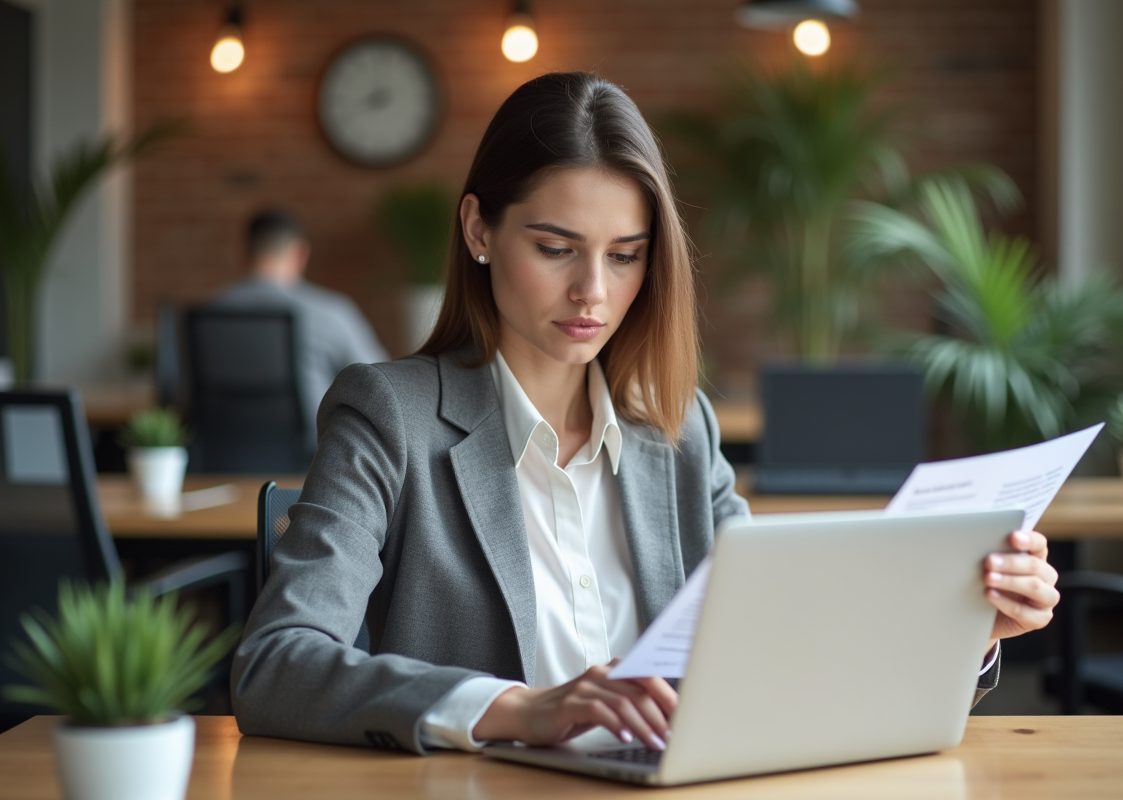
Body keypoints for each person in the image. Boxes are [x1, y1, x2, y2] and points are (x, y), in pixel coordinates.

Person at [231, 72, 1060, 755]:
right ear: (480, 229)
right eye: (556, 248)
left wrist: (968, 627)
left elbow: (777, 644)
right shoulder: (392, 416)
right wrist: (519, 709)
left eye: (625, 257)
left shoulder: (678, 429)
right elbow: (275, 663)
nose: (593, 292)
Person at [210, 210, 389, 448]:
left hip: (219, 456)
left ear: (242, 252)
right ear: (300, 253)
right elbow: (381, 385)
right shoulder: (330, 312)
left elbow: (179, 391)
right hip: (309, 462)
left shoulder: (208, 314)